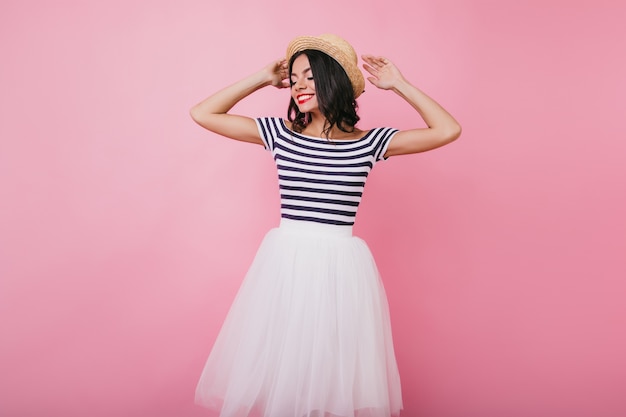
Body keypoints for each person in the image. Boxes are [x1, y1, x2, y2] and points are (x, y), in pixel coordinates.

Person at [190, 34, 461, 417]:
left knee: (329, 376)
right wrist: (261, 78)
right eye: (295, 77)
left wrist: (400, 85)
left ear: (334, 80)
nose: (299, 85)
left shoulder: (368, 143)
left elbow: (448, 130)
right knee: (286, 371)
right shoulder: (281, 134)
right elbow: (203, 113)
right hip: (287, 265)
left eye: (310, 76)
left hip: (340, 271)